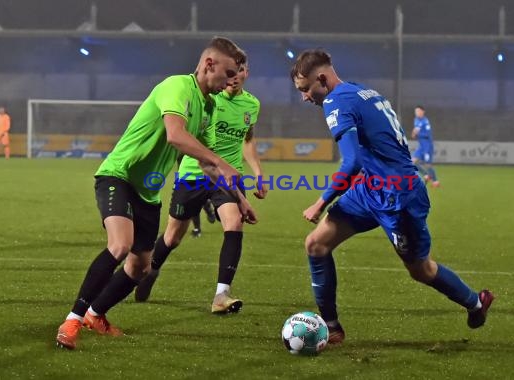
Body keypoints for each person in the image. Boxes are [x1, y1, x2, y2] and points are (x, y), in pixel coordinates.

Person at [56, 37, 256, 350]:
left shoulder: (210, 107)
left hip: (148, 193)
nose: (231, 80)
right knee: (119, 245)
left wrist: (240, 199)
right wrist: (219, 161)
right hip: (119, 175)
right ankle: (72, 319)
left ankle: (96, 314)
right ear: (209, 64)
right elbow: (176, 136)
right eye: (227, 72)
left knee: (140, 268)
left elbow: (208, 165)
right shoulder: (177, 86)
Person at [290, 49, 494, 344]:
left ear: (321, 78)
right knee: (316, 245)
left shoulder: (336, 101)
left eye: (306, 89)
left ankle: (476, 302)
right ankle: (331, 328)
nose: (305, 97)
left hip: (398, 198)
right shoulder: (361, 91)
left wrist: (320, 203)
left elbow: (351, 163)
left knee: (421, 270)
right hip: (371, 188)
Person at [134, 61, 266, 314]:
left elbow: (247, 139)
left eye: (240, 71)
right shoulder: (209, 100)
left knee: (235, 222)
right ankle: (150, 271)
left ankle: (221, 295)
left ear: (247, 73)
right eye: (231, 72)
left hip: (229, 177)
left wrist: (258, 173)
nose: (235, 77)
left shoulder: (252, 104)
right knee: (172, 237)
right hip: (195, 173)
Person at [411, 105, 439, 187]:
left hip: (427, 146)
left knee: (428, 165)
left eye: (418, 111)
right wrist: (415, 133)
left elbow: (427, 135)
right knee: (412, 162)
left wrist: (417, 133)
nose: (417, 113)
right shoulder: (416, 120)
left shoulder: (425, 121)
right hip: (421, 146)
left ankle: (435, 181)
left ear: (423, 112)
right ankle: (426, 174)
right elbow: (414, 133)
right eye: (416, 111)